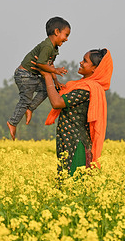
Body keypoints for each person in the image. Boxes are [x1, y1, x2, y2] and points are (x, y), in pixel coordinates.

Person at [33, 48, 113, 177]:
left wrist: (47, 75)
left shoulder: (87, 89)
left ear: (94, 69)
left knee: (73, 187)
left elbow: (57, 102)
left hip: (76, 146)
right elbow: (58, 93)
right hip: (69, 145)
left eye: (85, 61)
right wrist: (51, 72)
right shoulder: (80, 86)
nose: (81, 62)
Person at [7, 17, 70, 140]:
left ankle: (30, 109)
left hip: (31, 76)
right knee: (25, 99)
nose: (67, 39)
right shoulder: (47, 46)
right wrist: (56, 71)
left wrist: (55, 81)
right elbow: (41, 64)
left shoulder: (54, 48)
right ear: (57, 32)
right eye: (66, 35)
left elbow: (49, 65)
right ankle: (13, 122)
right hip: (24, 75)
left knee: (49, 88)